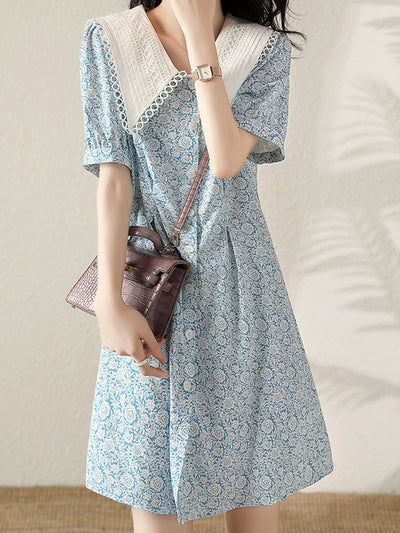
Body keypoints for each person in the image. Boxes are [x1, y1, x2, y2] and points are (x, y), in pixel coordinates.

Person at [78, 1, 334, 532]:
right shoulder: (111, 39)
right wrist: (108, 301)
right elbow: (115, 181)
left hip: (240, 285)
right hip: (150, 290)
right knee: (151, 476)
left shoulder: (261, 48)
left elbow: (225, 158)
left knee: (252, 474)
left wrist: (200, 38)